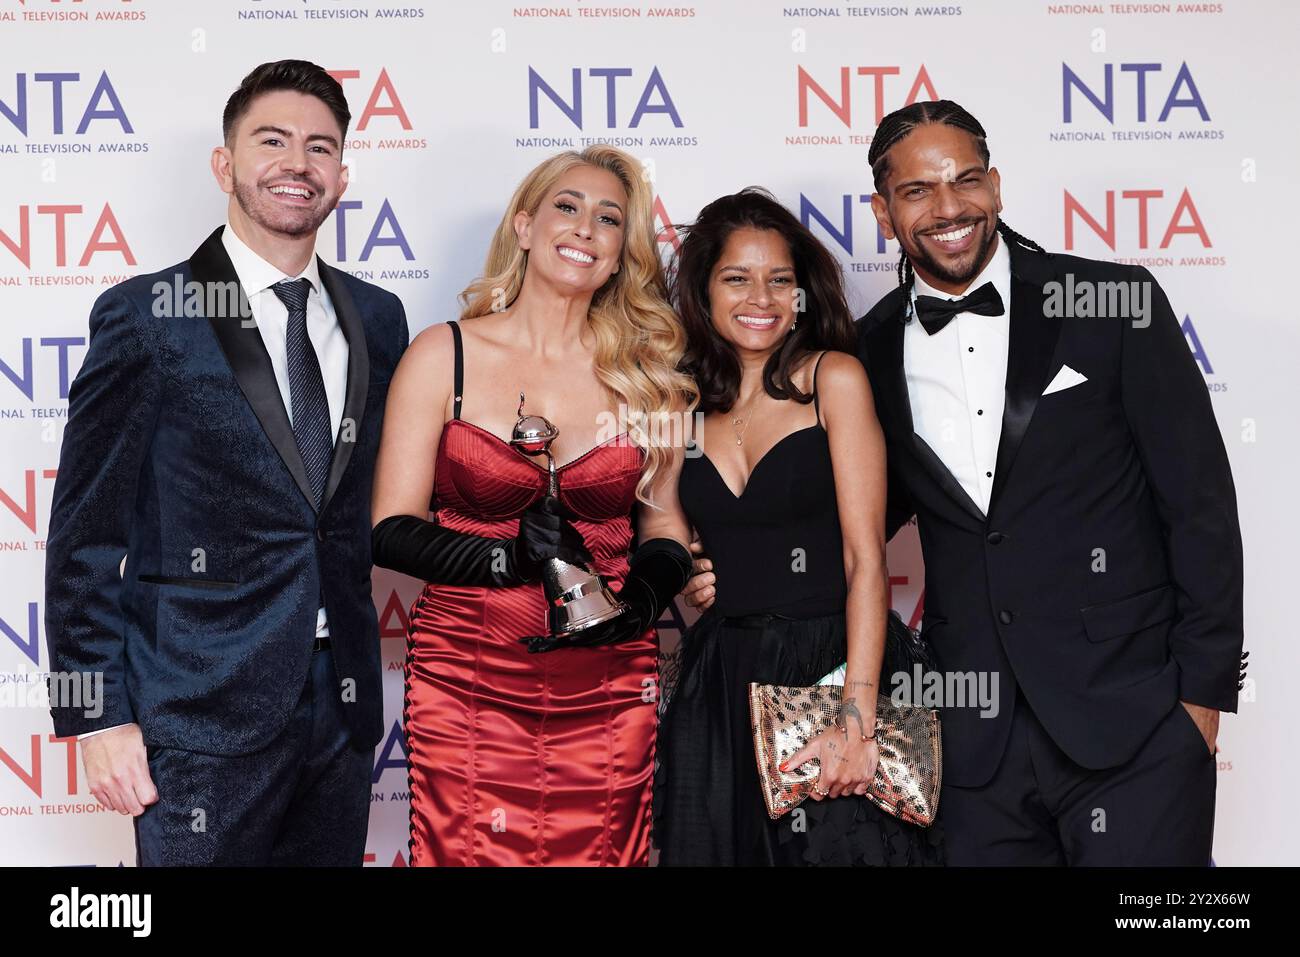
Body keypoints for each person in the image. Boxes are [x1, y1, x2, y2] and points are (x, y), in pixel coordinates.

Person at [687, 101, 1245, 866]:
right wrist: (734, 561)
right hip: (970, 743)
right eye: (917, 191)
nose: (948, 207)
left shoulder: (1111, 304)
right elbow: (847, 521)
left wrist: (1199, 705)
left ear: (998, 186)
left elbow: (1201, 506)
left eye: (967, 181)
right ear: (883, 212)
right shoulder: (867, 354)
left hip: (1134, 720)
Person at [43, 60, 409, 866]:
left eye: (319, 147)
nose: (297, 164)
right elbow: (84, 534)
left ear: (341, 175)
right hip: (198, 713)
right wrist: (96, 716)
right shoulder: (148, 317)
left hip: (343, 708)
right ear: (224, 164)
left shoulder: (379, 318)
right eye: (271, 140)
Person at [370, 145, 696, 866]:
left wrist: (641, 602)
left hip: (609, 681)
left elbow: (665, 522)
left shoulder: (651, 377)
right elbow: (389, 528)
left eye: (610, 219)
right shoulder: (441, 354)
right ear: (523, 225)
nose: (586, 228)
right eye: (567, 207)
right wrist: (504, 556)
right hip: (468, 674)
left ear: (621, 253)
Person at [654, 188, 943, 866]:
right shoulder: (678, 400)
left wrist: (856, 715)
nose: (762, 296)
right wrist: (687, 571)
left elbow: (865, 558)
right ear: (704, 288)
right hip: (721, 678)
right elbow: (658, 534)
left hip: (834, 665)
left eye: (780, 279)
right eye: (737, 278)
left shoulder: (832, 379)